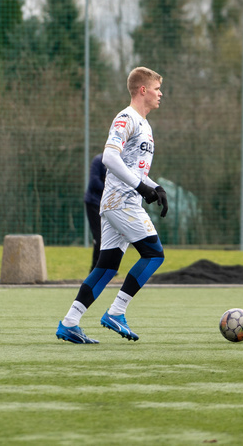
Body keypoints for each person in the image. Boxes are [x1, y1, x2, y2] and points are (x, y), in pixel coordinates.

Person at [56, 67, 169, 344]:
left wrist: (154, 186)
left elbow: (133, 168)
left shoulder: (144, 123)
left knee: (106, 266)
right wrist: (140, 187)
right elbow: (109, 157)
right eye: (156, 89)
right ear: (143, 90)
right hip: (121, 201)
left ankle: (69, 322)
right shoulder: (126, 117)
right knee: (154, 255)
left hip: (118, 201)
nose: (160, 94)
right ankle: (116, 312)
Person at [84, 153, 107, 272]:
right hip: (94, 203)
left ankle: (106, 267)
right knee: (99, 237)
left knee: (108, 237)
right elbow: (94, 181)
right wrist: (110, 189)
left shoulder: (121, 161)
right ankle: (95, 269)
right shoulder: (99, 160)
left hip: (108, 205)